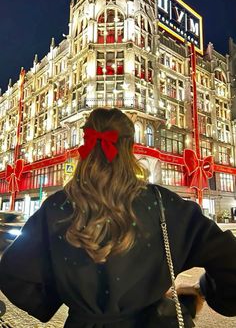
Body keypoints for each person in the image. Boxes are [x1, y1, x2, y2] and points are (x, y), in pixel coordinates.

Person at [0, 107, 236, 328]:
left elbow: (14, 274)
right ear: (130, 147)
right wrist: (205, 290)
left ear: (86, 144)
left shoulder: (58, 206)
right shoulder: (165, 203)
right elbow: (229, 259)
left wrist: (60, 297)